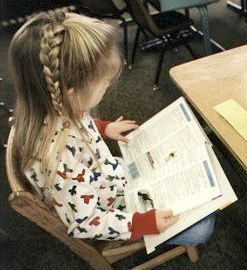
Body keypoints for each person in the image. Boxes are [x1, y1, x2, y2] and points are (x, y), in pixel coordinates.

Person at [9, 11, 215, 243]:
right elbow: (85, 224)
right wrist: (142, 223)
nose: (108, 86)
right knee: (202, 228)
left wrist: (102, 128)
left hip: (107, 177)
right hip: (112, 209)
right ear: (71, 93)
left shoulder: (52, 106)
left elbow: (77, 128)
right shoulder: (60, 165)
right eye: (105, 82)